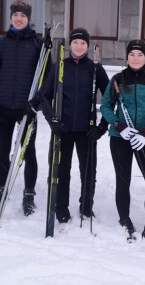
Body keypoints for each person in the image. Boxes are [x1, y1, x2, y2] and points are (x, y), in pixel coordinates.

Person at [37, 28, 109, 223]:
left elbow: (111, 99)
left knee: (88, 171)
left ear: (88, 46)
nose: (79, 46)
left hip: (87, 130)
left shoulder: (95, 68)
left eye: (83, 43)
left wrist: (101, 127)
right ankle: (61, 207)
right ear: (70, 45)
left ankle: (86, 206)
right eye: (75, 42)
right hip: (63, 128)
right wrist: (52, 120)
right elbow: (44, 96)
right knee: (62, 169)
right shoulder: (60, 66)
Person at [100, 40, 145, 244]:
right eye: (132, 54)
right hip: (120, 138)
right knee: (123, 180)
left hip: (144, 138)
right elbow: (105, 107)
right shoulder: (117, 79)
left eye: (140, 55)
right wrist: (119, 126)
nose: (136, 58)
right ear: (127, 57)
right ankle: (124, 220)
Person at [0, 0, 43, 216]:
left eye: (23, 15)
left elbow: (46, 77)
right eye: (15, 15)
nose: (18, 18)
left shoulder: (37, 44)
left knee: (28, 151)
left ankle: (29, 194)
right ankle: (1, 190)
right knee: (3, 149)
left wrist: (36, 103)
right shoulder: (1, 43)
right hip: (3, 106)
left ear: (28, 19)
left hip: (27, 107)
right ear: (10, 17)